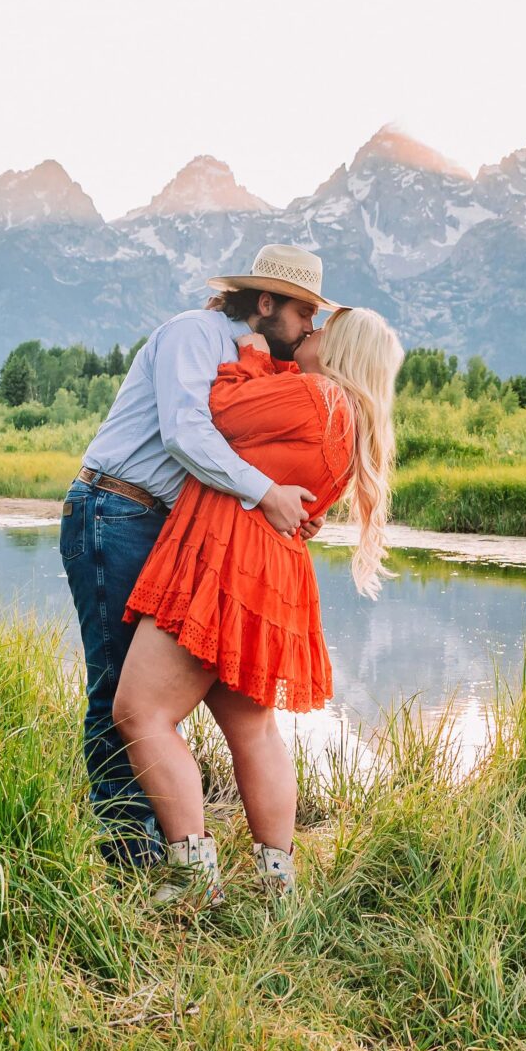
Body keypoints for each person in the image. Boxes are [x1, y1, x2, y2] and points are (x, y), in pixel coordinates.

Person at [110, 302, 404, 906]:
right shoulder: (346, 418)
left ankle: (192, 876)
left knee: (140, 713)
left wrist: (253, 354)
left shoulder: (314, 397)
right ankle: (277, 882)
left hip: (227, 563)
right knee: (252, 727)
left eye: (323, 330)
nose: (311, 332)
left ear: (342, 352)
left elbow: (214, 409)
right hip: (271, 574)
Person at [61, 244, 331, 864]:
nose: (310, 326)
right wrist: (265, 494)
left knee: (149, 698)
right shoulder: (193, 333)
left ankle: (174, 853)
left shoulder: (254, 363)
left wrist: (288, 502)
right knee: (117, 692)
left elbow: (245, 444)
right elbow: (187, 433)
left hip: (162, 527)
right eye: (303, 312)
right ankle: (134, 854)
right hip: (116, 511)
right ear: (265, 303)